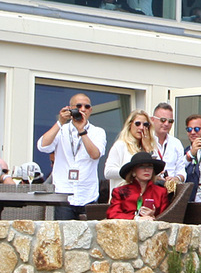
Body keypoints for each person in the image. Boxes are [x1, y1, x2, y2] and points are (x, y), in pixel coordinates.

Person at [35, 92, 105, 220]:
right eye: (78, 106)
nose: (83, 109)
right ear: (70, 108)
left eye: (87, 106)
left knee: (88, 238)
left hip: (87, 194)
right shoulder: (61, 129)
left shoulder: (97, 132)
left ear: (91, 110)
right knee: (64, 237)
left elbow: (95, 154)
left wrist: (82, 131)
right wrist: (60, 122)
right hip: (63, 194)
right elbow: (42, 146)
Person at [107, 151, 169, 219]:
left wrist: (153, 216)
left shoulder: (161, 192)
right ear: (133, 171)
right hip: (126, 228)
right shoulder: (119, 191)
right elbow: (112, 214)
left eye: (150, 166)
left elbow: (166, 218)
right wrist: (137, 218)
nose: (146, 169)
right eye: (141, 166)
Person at [103, 110, 157, 185]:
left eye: (145, 124)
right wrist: (131, 171)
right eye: (137, 124)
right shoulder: (121, 145)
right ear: (130, 125)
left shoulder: (150, 147)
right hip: (124, 193)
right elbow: (108, 172)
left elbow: (156, 172)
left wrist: (148, 149)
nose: (141, 127)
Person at [150, 102, 188, 185]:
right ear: (152, 120)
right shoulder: (145, 141)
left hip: (170, 191)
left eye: (170, 121)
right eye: (163, 120)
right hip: (150, 189)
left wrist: (176, 178)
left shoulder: (176, 143)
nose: (166, 124)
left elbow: (182, 172)